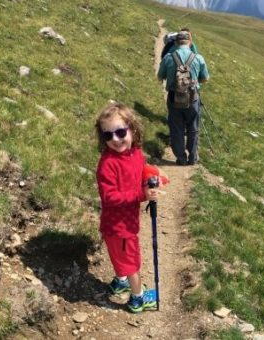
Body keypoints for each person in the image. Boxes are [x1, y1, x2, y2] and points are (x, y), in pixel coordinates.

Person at [94, 102, 158, 313]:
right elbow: (110, 197)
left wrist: (149, 176)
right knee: (132, 262)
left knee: (122, 257)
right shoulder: (108, 164)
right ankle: (138, 299)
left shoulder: (136, 152)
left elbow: (140, 170)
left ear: (132, 129)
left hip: (127, 222)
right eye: (108, 136)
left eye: (120, 132)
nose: (115, 139)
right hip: (119, 226)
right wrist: (141, 195)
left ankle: (121, 280)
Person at [157, 29, 209, 166]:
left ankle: (181, 158)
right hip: (193, 98)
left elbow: (160, 76)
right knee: (193, 128)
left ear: (176, 42)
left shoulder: (168, 57)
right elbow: (205, 79)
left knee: (176, 128)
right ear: (189, 42)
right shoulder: (198, 58)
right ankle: (193, 157)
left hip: (174, 98)